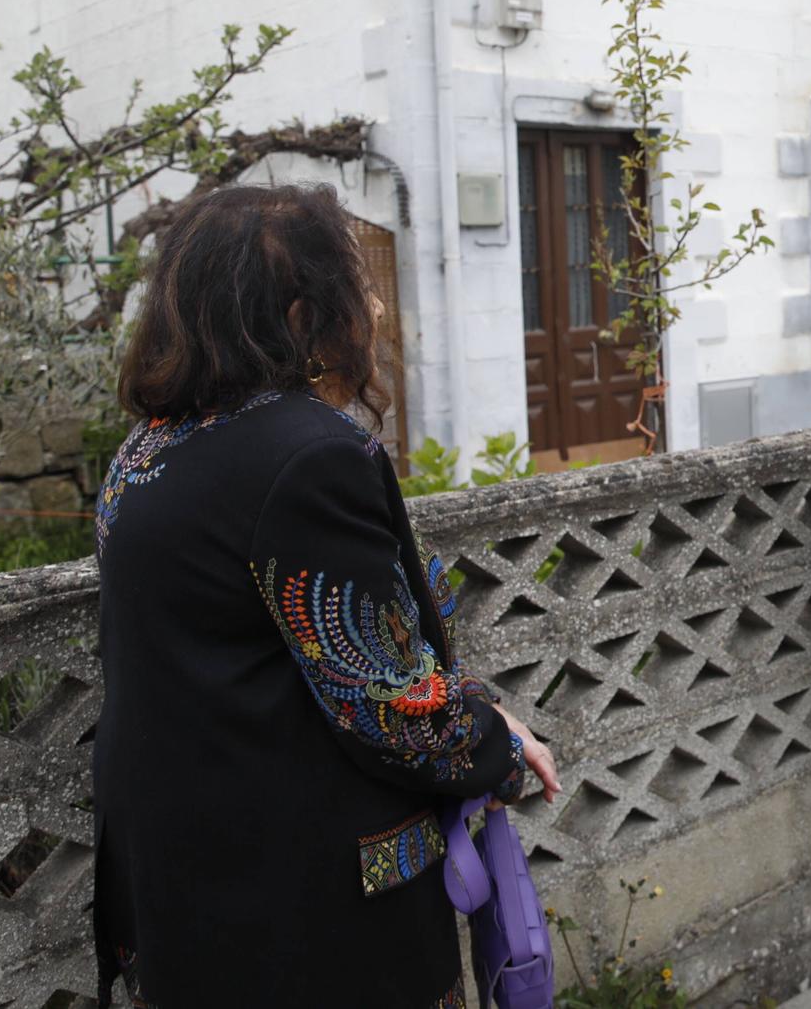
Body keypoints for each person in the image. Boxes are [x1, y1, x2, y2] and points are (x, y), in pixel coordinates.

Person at [92, 183, 561, 1008]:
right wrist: (501, 746)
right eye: (359, 286)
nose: (373, 304)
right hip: (312, 913)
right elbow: (393, 704)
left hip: (185, 889)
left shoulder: (147, 450)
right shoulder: (306, 458)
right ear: (304, 313)